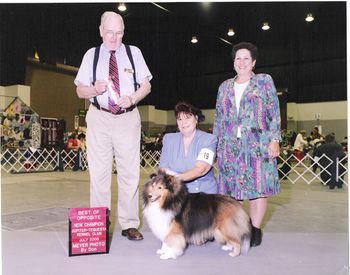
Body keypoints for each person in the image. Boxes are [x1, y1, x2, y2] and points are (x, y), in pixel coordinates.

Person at [74, 11, 152, 241]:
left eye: (119, 33)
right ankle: (98, 222)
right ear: (100, 31)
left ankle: (129, 224)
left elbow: (146, 85)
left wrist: (133, 98)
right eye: (109, 32)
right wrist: (94, 90)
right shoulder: (91, 55)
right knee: (99, 174)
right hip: (99, 117)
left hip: (128, 118)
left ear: (123, 33)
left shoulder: (133, 53)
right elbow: (80, 90)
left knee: (129, 173)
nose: (114, 38)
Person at [213, 42, 281, 247]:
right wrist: (214, 147)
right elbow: (218, 118)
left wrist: (275, 139)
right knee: (230, 191)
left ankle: (255, 230)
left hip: (257, 145)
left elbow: (274, 112)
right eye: (237, 58)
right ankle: (234, 230)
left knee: (258, 188)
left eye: (246, 58)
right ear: (233, 62)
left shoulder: (264, 81)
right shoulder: (224, 86)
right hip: (229, 146)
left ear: (253, 62)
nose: (241, 62)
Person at [159, 102, 218, 194]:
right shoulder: (168, 139)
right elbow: (163, 168)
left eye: (188, 117)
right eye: (180, 119)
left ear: (196, 119)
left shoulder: (209, 139)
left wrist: (177, 178)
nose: (184, 122)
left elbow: (201, 169)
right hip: (176, 194)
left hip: (204, 195)